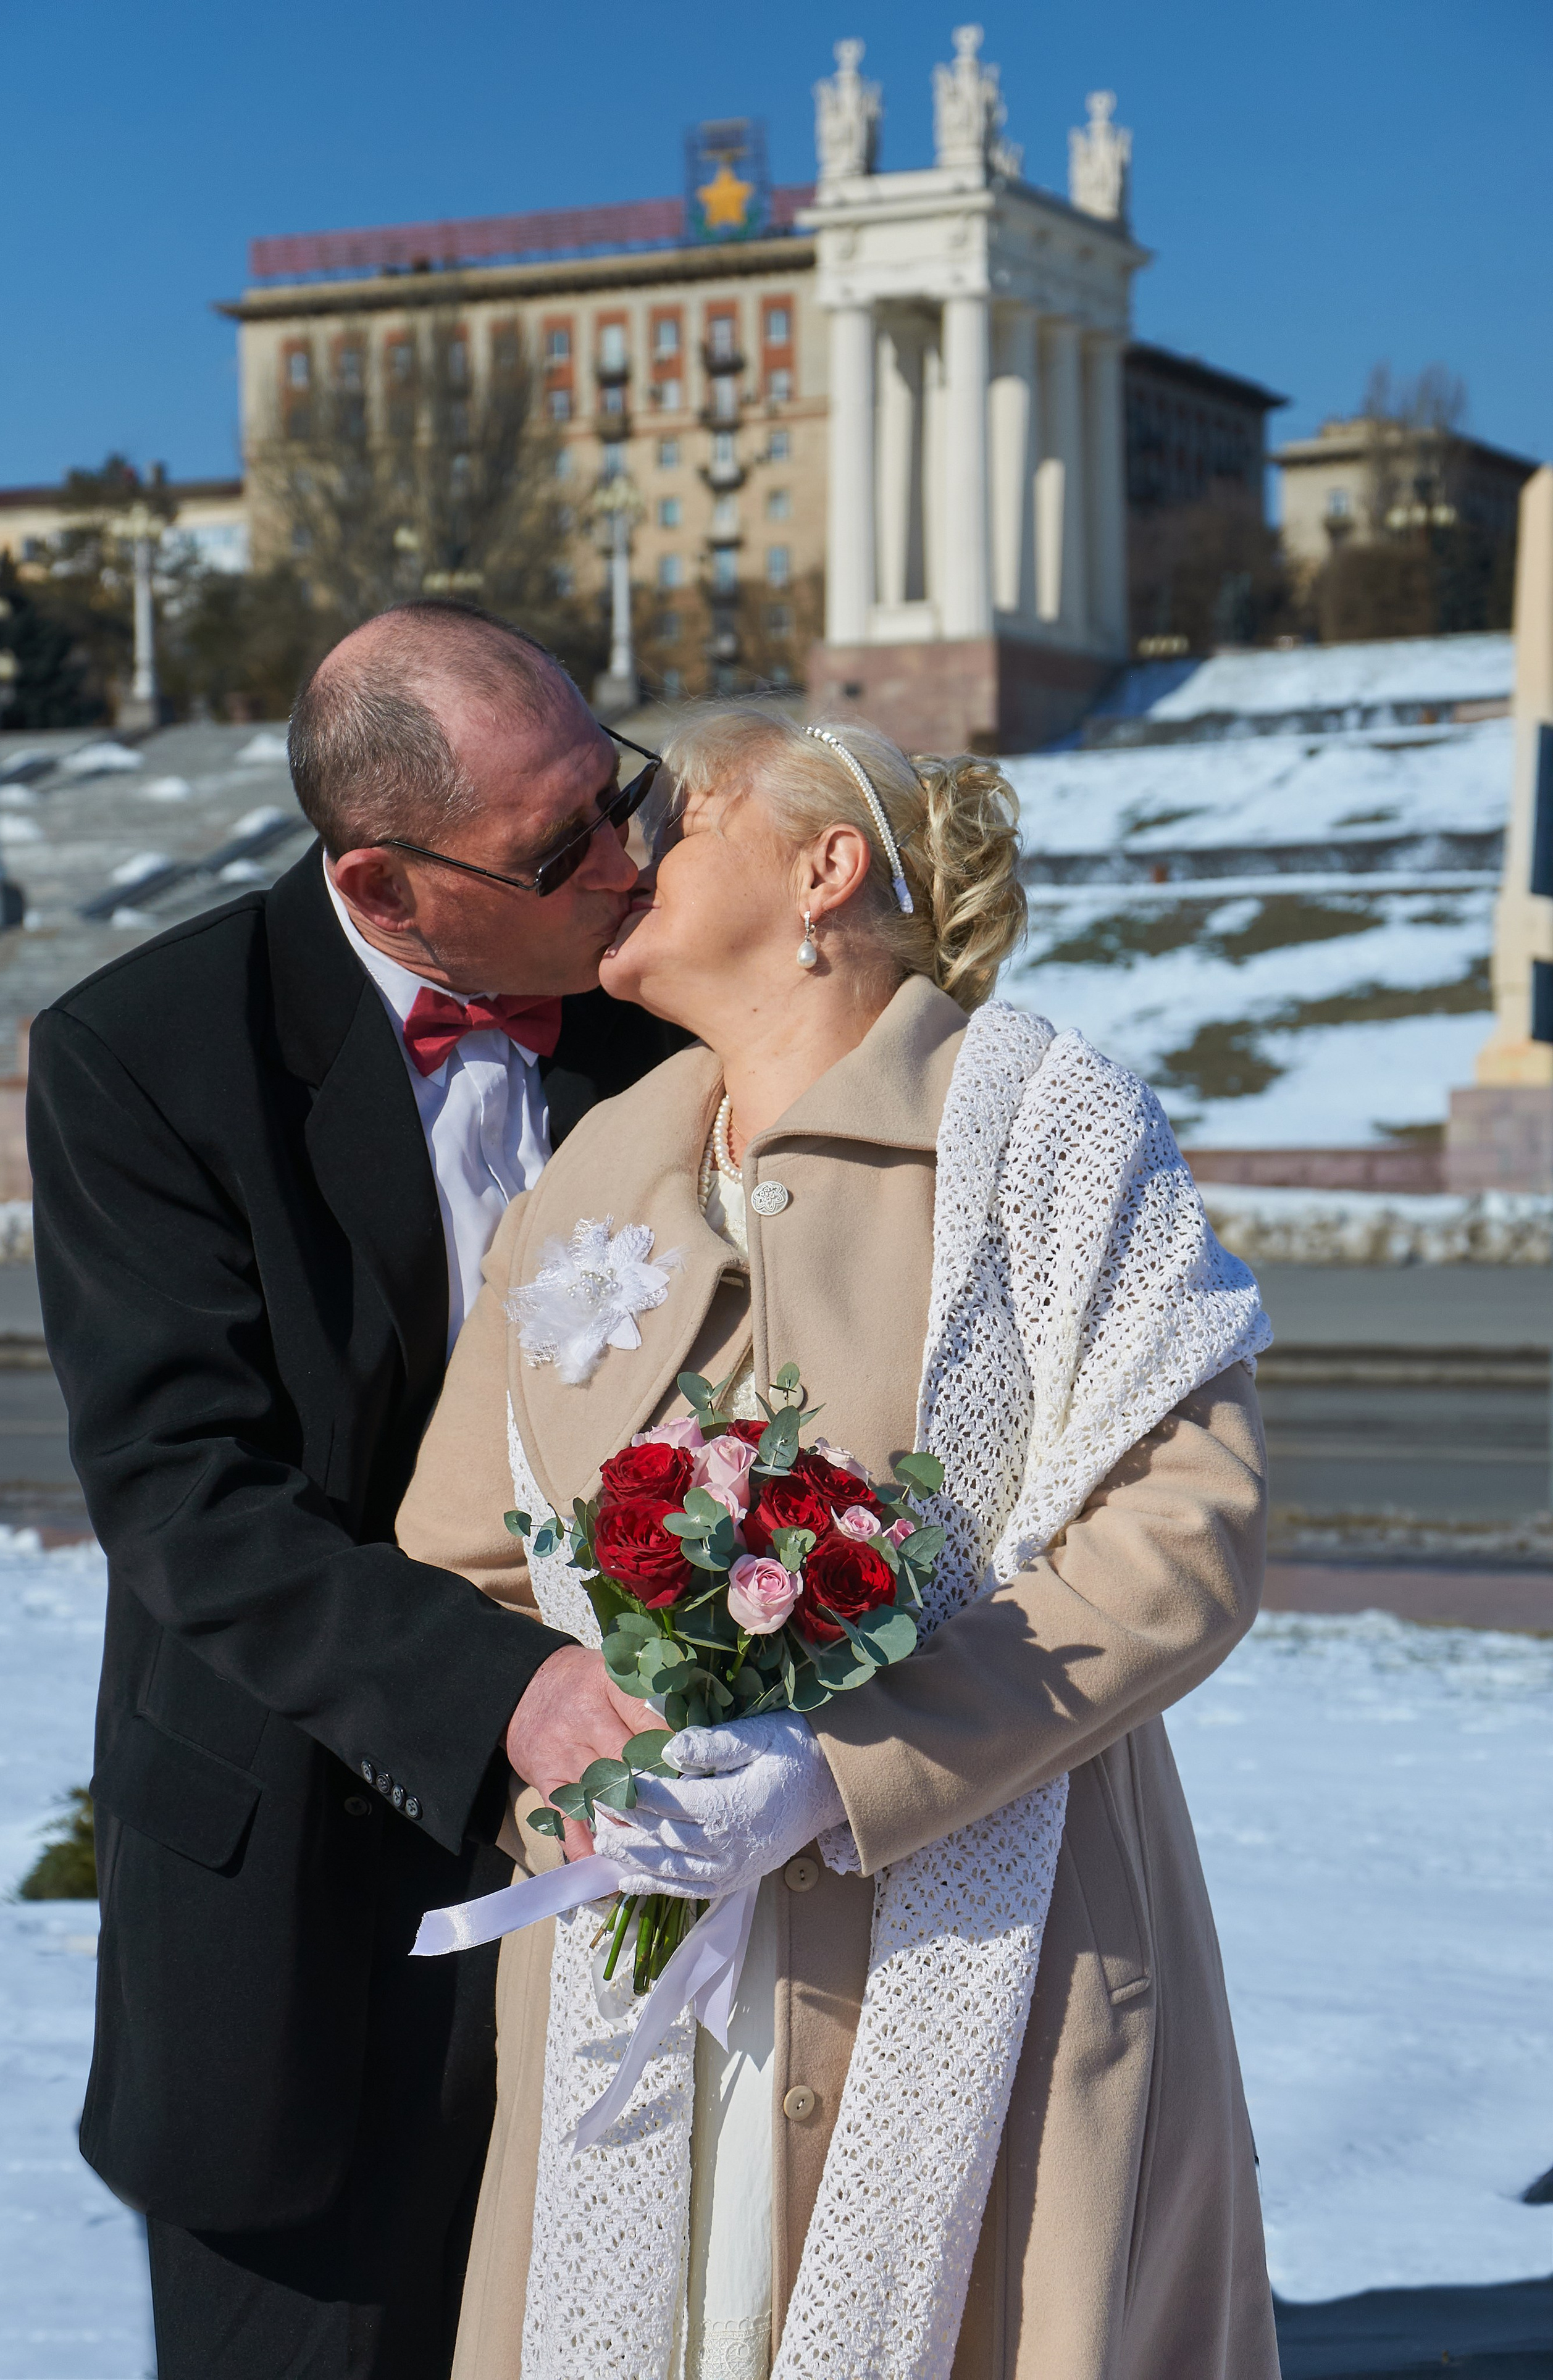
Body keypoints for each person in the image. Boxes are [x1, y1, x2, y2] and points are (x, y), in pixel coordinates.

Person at [396, 705, 1281, 2380]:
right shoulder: (594, 1163)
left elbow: (1188, 1527)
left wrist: (847, 1765)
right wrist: (580, 1773)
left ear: (826, 867)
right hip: (646, 2002)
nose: (630, 845)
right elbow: (467, 1564)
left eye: (690, 809)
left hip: (991, 1966)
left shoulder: (1045, 1129)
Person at [25, 603, 680, 2380]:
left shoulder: (668, 1000)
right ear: (385, 888)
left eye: (621, 789)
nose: (630, 863)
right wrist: (514, 1694)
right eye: (566, 846)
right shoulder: (142, 1059)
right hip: (301, 1887)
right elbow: (188, 1499)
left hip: (662, 1866)